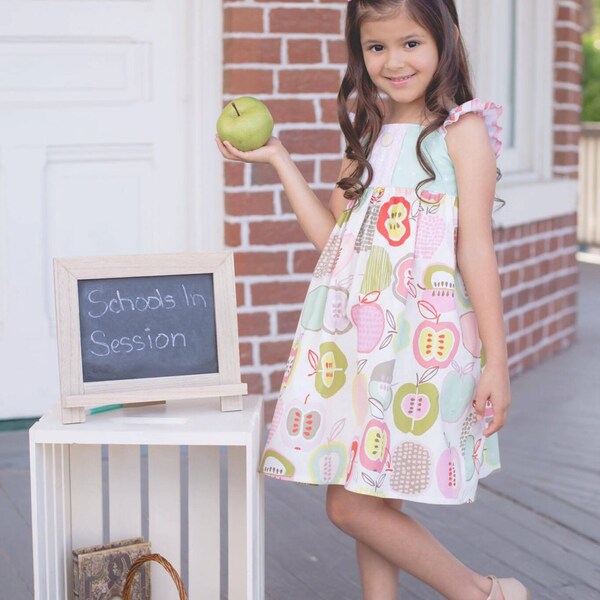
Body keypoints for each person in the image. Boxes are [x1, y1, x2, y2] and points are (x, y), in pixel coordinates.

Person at [216, 1, 529, 598]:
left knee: (350, 507)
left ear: (447, 40)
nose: (394, 61)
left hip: (421, 339)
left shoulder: (462, 130)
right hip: (357, 338)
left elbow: (476, 250)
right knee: (366, 492)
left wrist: (498, 361)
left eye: (411, 43)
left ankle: (481, 593)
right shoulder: (372, 131)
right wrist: (278, 158)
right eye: (376, 47)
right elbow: (335, 240)